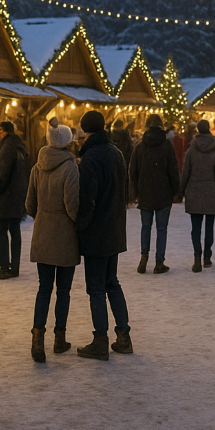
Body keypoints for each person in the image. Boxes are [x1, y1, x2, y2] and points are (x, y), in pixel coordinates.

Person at [74, 110, 132, 360]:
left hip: (97, 232)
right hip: (115, 229)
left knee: (96, 287)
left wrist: (80, 226)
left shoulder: (90, 158)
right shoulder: (116, 153)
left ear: (84, 130)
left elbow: (87, 199)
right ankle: (123, 336)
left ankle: (100, 340)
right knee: (112, 282)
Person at [25, 118, 79, 362]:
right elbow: (72, 205)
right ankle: (59, 338)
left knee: (44, 288)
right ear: (67, 142)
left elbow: (29, 204)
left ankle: (37, 339)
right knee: (63, 290)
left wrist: (43, 216)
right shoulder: (70, 167)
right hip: (65, 235)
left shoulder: (37, 167)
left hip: (43, 233)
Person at [129, 114, 180, 274]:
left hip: (145, 192)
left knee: (146, 227)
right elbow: (173, 170)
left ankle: (144, 257)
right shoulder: (166, 146)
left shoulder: (140, 146)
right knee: (161, 229)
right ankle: (159, 262)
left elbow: (133, 171)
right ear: (161, 126)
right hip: (163, 193)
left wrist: (137, 190)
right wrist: (175, 190)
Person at [180, 119, 215, 272]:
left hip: (194, 190)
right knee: (209, 226)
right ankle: (207, 256)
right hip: (210, 191)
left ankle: (197, 257)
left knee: (195, 227)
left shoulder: (191, 150)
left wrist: (180, 191)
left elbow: (185, 172)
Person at [0, 120, 29, 280]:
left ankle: (5, 267)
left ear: (5, 132)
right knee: (14, 230)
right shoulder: (18, 146)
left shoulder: (6, 148)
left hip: (6, 197)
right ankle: (15, 267)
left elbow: (2, 174)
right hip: (17, 196)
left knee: (0, 231)